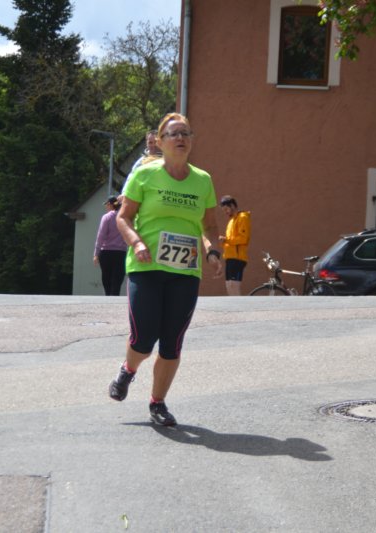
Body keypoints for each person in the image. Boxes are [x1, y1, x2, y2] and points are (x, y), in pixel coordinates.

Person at [108, 112, 223, 426]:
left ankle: (157, 403)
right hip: (145, 266)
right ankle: (128, 370)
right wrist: (136, 243)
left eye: (186, 133)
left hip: (185, 271)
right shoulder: (145, 175)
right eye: (173, 133)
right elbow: (123, 217)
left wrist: (212, 250)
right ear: (160, 141)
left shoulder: (203, 180)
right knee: (144, 338)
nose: (180, 138)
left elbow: (209, 226)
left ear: (192, 141)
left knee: (172, 343)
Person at [94, 194, 127, 296]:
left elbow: (101, 236)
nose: (106, 207)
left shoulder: (107, 217)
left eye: (107, 205)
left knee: (106, 278)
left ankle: (108, 298)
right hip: (121, 253)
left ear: (110, 204)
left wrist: (96, 254)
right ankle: (114, 298)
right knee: (117, 279)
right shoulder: (125, 217)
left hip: (106, 252)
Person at [218, 195, 251, 295]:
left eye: (226, 209)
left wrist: (226, 240)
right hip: (230, 258)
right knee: (229, 286)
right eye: (223, 210)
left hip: (238, 258)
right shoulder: (231, 221)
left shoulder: (242, 217)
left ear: (232, 205)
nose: (225, 212)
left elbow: (243, 238)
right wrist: (223, 242)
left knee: (234, 286)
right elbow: (230, 241)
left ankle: (239, 306)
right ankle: (234, 305)